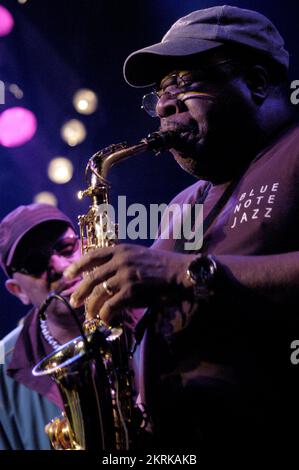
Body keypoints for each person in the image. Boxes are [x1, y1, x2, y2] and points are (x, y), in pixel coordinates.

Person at [64, 5, 299, 461]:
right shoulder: (183, 204)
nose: (165, 104)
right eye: (159, 91)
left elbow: (181, 274)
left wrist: (186, 273)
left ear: (255, 81)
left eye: (185, 82)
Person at [0, 203, 83, 450]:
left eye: (66, 248)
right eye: (36, 262)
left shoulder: (148, 316)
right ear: (18, 291)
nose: (59, 267)